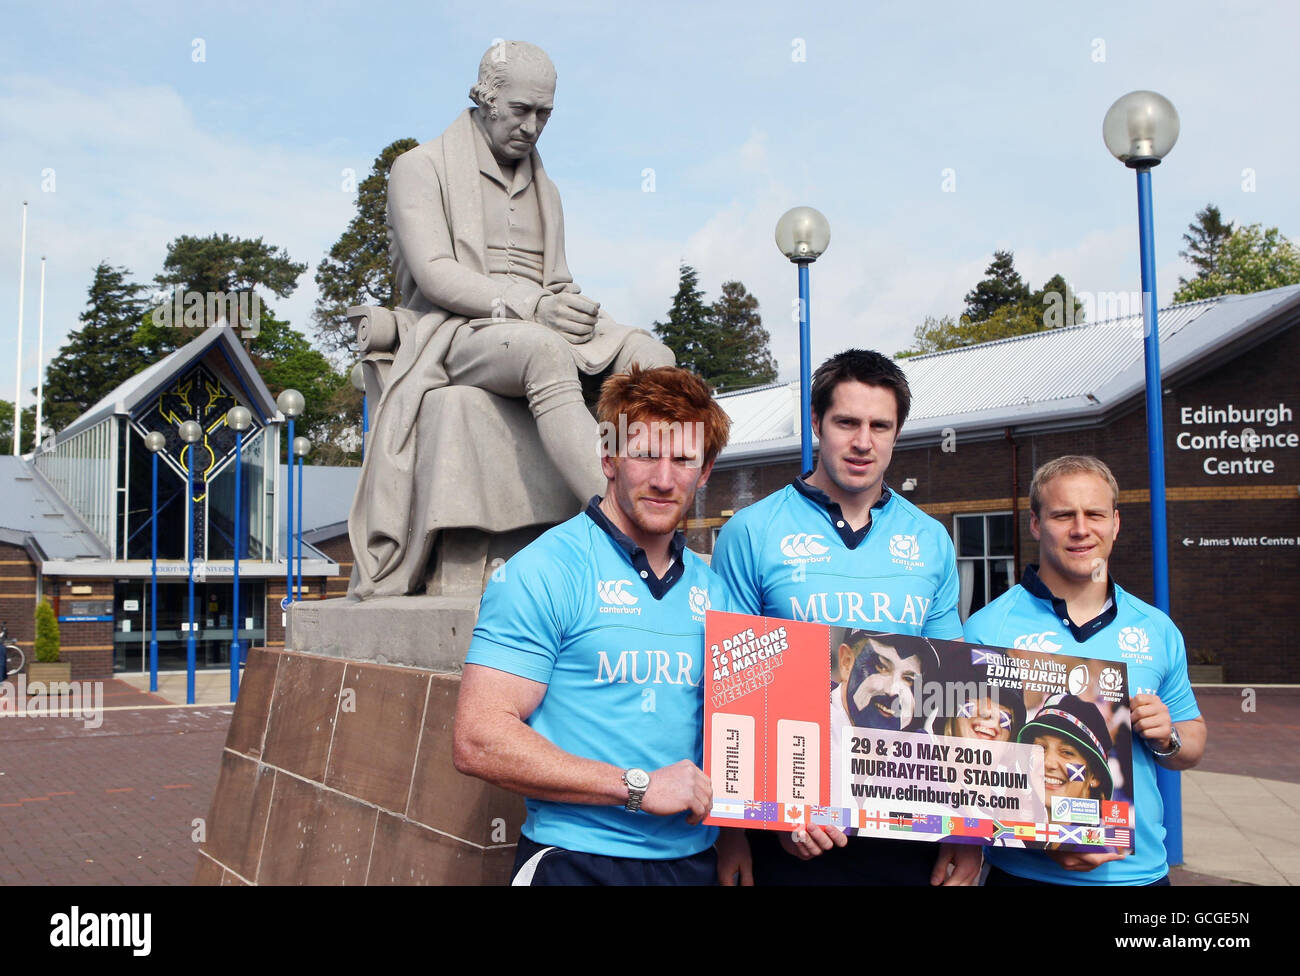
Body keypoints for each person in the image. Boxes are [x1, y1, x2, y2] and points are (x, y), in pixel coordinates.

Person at [350, 40, 673, 596]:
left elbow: (557, 278)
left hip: (538, 315)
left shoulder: (546, 188)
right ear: (484, 98)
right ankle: (624, 525)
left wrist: (569, 306)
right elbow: (434, 275)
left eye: (543, 114)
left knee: (654, 358)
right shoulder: (419, 168)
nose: (532, 126)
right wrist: (532, 308)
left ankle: (659, 497)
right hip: (458, 329)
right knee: (541, 350)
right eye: (520, 110)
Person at [453, 365, 737, 885]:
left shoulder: (716, 591)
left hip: (694, 864)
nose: (663, 478)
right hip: (576, 862)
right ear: (608, 457)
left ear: (706, 470)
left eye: (683, 459)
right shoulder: (544, 570)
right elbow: (478, 738)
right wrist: (636, 786)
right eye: (646, 453)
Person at [711, 348, 979, 886]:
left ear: (897, 433)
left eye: (880, 425)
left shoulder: (929, 539)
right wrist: (738, 828)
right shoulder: (751, 530)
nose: (863, 442)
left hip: (906, 821)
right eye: (846, 422)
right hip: (789, 824)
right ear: (816, 423)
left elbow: (951, 687)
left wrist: (966, 832)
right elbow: (729, 686)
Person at [964, 455, 1206, 886]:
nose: (1081, 529)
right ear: (1036, 524)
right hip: (1022, 873)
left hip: (1138, 874)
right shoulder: (986, 627)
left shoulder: (1156, 628)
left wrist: (1168, 737)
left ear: (1115, 522)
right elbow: (967, 764)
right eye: (1063, 515)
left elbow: (1192, 744)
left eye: (1094, 513)